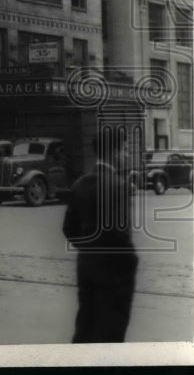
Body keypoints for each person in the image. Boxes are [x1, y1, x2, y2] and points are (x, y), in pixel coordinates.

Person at [62, 127, 139, 343]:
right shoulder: (119, 186)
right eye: (125, 150)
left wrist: (89, 250)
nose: (127, 155)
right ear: (114, 153)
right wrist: (130, 262)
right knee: (111, 332)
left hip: (86, 268)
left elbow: (69, 229)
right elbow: (119, 234)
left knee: (86, 326)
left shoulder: (80, 183)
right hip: (114, 275)